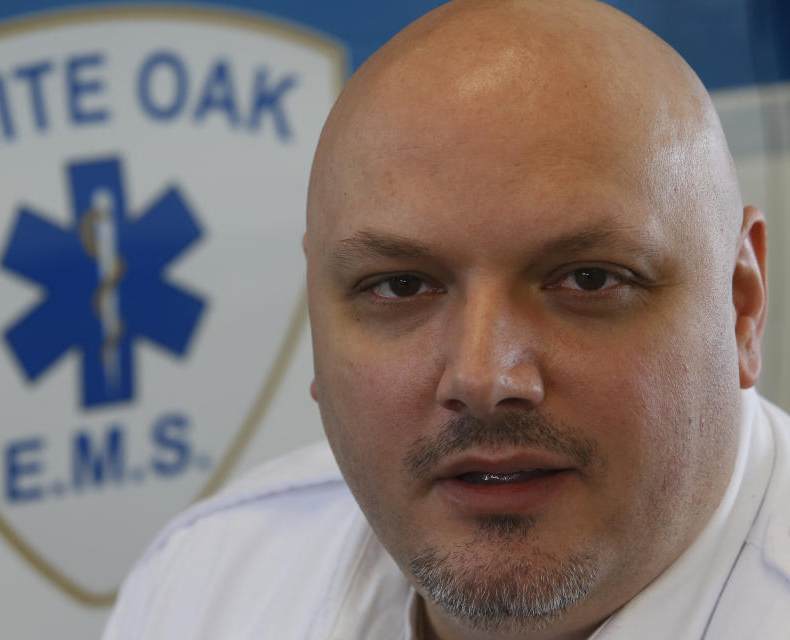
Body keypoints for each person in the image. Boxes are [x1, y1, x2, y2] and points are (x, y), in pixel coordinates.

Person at [102, 0, 790, 638]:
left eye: (588, 280)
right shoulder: (202, 590)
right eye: (400, 286)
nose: (483, 375)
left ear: (742, 304)